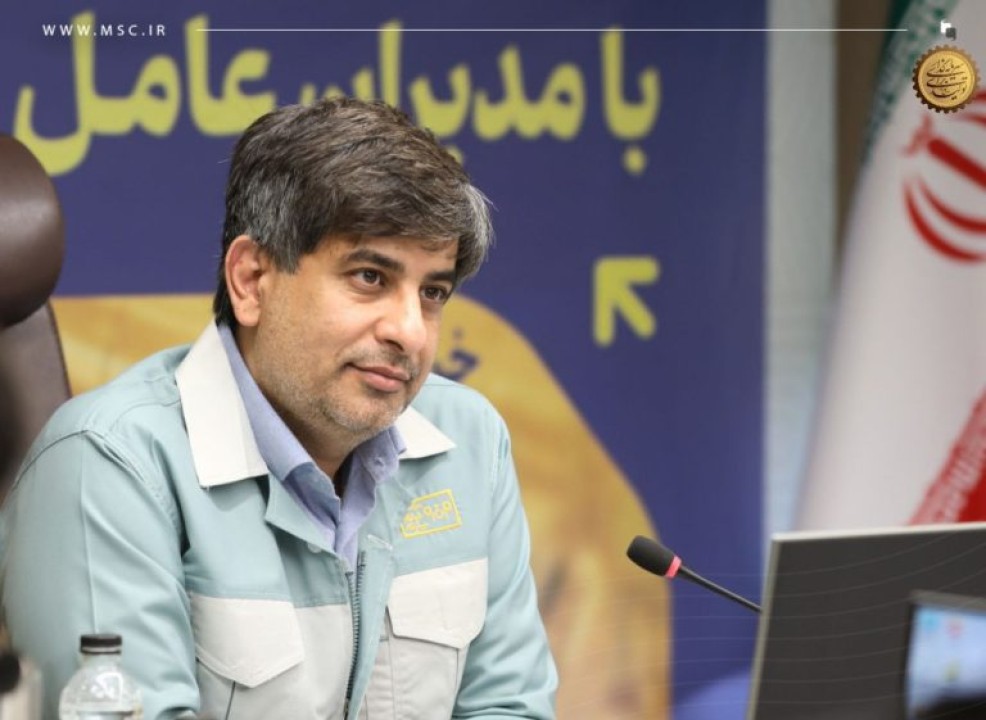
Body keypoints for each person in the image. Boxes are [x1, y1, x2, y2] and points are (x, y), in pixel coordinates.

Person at [1, 97, 558, 720]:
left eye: (432, 292)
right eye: (370, 277)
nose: (410, 332)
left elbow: (510, 705)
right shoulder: (109, 465)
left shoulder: (470, 440)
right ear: (251, 280)